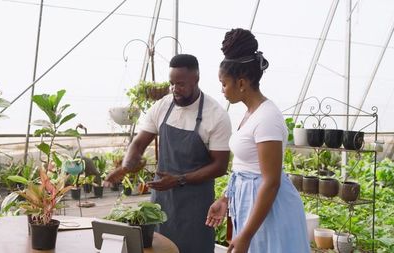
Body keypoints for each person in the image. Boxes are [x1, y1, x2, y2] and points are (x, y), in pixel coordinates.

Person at [105, 54, 232, 253]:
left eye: (180, 84)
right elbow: (138, 143)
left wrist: (179, 179)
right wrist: (126, 166)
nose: (175, 90)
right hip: (161, 202)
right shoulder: (163, 106)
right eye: (172, 84)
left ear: (196, 79)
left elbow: (220, 165)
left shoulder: (215, 115)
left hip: (196, 205)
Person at [205, 28, 310, 253]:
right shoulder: (251, 113)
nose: (222, 90)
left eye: (224, 83)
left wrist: (245, 236)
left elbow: (271, 181)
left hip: (271, 211)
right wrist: (225, 198)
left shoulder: (267, 118)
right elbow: (245, 167)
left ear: (241, 83)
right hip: (252, 206)